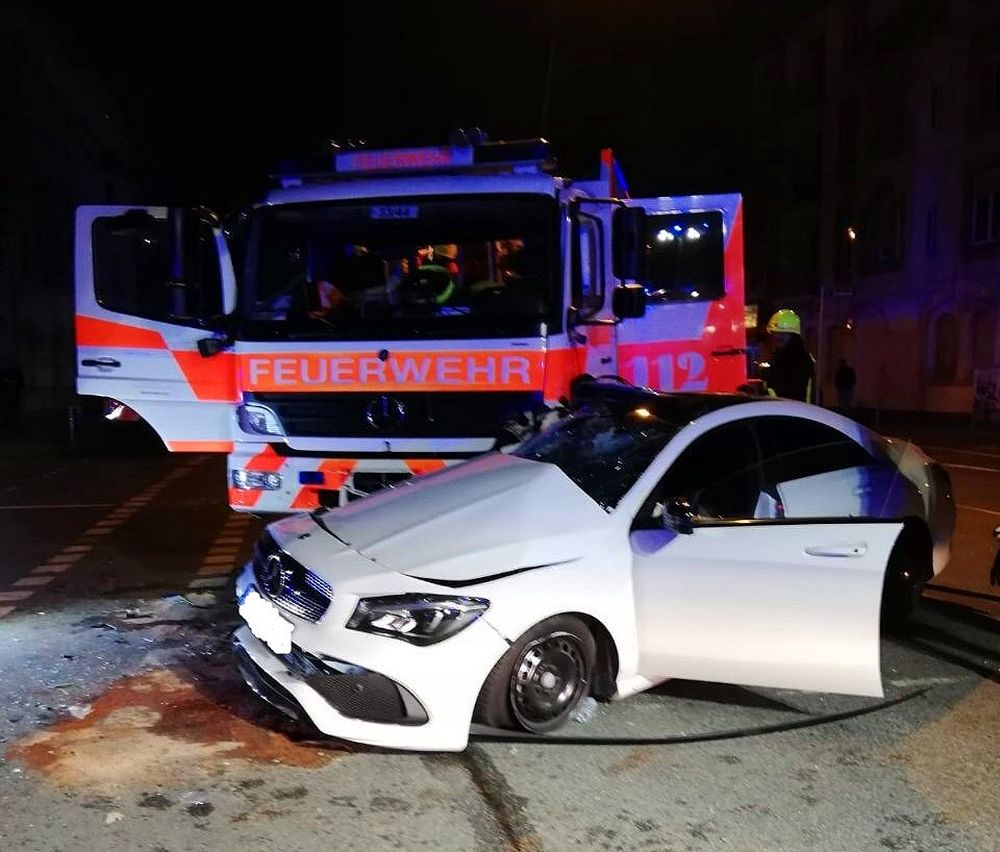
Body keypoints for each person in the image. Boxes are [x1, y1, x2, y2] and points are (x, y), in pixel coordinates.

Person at [761, 309, 815, 402]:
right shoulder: (781, 356)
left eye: (783, 334)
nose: (777, 337)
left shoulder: (798, 360)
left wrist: (768, 378)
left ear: (794, 337)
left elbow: (788, 394)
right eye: (775, 333)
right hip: (786, 408)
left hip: (793, 409)